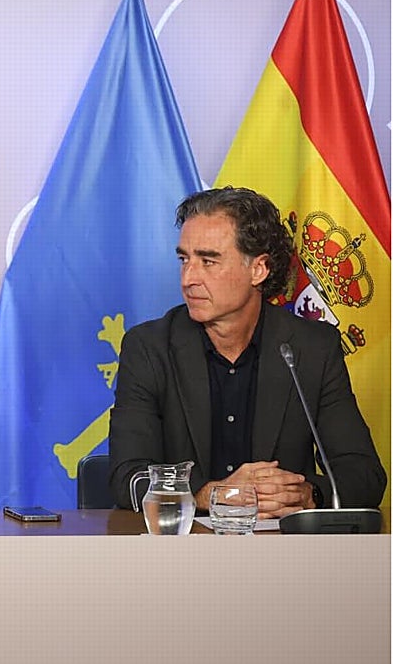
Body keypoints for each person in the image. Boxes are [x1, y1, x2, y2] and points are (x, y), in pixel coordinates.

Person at [109, 187, 386, 518]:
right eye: (184, 259)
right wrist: (207, 494)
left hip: (284, 557)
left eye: (208, 260)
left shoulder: (312, 349)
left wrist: (305, 494)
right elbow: (127, 477)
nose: (188, 278)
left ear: (259, 269)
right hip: (182, 553)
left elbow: (365, 475)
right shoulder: (149, 348)